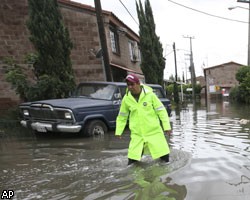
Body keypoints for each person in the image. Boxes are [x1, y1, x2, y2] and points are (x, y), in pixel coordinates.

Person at [115, 74, 172, 165]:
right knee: (132, 163)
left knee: (165, 160)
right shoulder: (126, 99)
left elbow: (161, 111)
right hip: (137, 134)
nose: (130, 87)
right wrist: (118, 131)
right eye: (128, 85)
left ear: (138, 84)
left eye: (132, 84)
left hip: (154, 132)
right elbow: (122, 116)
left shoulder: (150, 95)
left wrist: (167, 127)